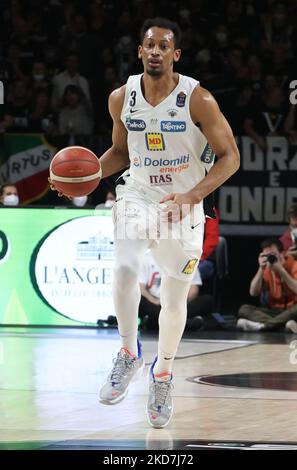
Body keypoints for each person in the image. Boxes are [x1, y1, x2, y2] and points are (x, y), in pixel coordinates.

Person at [50, 17, 240, 428]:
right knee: (124, 265)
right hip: (136, 193)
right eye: (149, 45)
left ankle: (163, 373)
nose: (155, 51)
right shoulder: (122, 97)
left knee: (174, 301)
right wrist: (83, 178)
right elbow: (120, 151)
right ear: (139, 51)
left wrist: (192, 195)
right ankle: (128, 352)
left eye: (163, 46)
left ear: (176, 54)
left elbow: (231, 157)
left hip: (184, 205)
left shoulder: (198, 99)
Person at [139, 250, 212, 331]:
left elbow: (194, 288)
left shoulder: (188, 259)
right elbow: (141, 288)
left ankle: (157, 322)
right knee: (138, 300)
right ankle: (185, 324)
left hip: (181, 304)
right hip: (156, 303)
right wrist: (155, 301)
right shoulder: (146, 257)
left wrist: (180, 302)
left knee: (208, 300)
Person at [237, 238, 297, 333]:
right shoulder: (267, 269)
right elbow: (253, 292)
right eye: (266, 255)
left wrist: (281, 271)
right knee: (244, 309)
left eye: (272, 255)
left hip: (292, 310)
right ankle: (283, 326)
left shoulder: (294, 265)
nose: (270, 258)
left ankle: (262, 327)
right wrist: (261, 269)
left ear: (282, 253)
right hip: (275, 311)